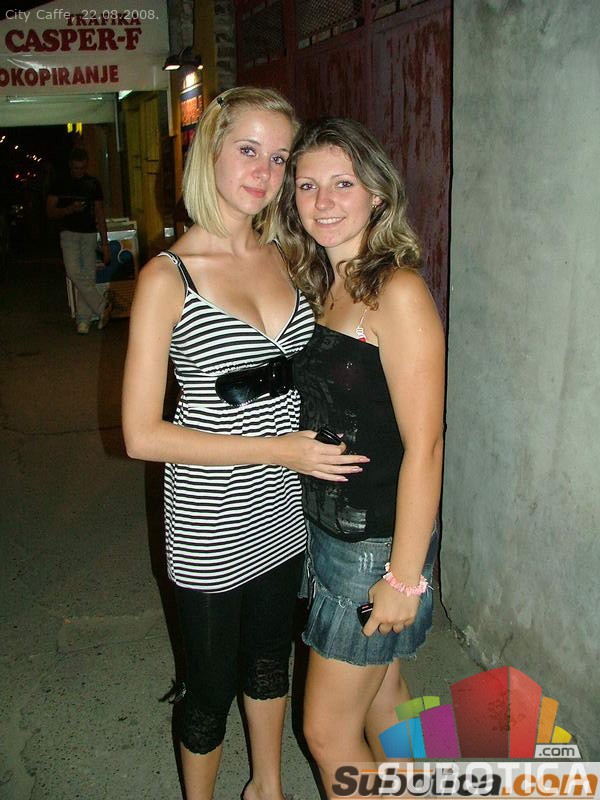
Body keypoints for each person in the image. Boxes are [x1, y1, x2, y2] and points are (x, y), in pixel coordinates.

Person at [121, 89, 367, 800]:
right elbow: (140, 434)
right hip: (209, 519)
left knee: (268, 661)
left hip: (284, 512)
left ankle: (268, 788)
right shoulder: (168, 277)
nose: (264, 171)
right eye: (248, 150)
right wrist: (277, 450)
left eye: (280, 157)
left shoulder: (289, 256)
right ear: (211, 151)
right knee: (208, 686)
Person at [277, 117, 446, 796]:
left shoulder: (396, 292)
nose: (322, 201)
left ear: (377, 193)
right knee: (386, 700)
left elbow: (426, 445)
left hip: (375, 543)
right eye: (307, 185)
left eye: (342, 183)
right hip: (329, 528)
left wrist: (404, 577)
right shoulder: (324, 283)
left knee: (325, 732)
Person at [46, 148, 112, 334]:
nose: (80, 172)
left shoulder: (93, 183)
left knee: (87, 276)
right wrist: (70, 209)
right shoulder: (60, 183)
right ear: (70, 166)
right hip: (68, 233)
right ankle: (102, 306)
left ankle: (83, 320)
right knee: (74, 272)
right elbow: (50, 211)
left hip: (89, 233)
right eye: (76, 168)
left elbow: (99, 213)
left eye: (83, 168)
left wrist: (105, 243)